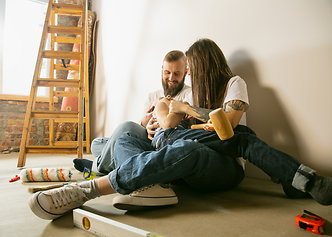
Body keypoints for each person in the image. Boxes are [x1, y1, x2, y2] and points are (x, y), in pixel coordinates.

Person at [28, 38, 332, 220]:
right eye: (182, 72)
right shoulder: (187, 93)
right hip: (185, 154)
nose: (188, 76)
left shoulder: (232, 84)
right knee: (122, 136)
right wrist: (159, 123)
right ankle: (144, 179)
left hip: (222, 162)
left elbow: (227, 127)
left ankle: (88, 188)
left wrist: (184, 111)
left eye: (191, 70)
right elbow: (168, 120)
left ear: (206, 66)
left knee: (232, 139)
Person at [73, 50, 192, 176]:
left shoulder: (189, 95)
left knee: (125, 127)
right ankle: (130, 159)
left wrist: (162, 105)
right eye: (167, 72)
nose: (171, 78)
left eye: (177, 74)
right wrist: (145, 124)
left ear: (185, 73)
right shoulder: (153, 96)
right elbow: (140, 126)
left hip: (162, 141)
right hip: (146, 138)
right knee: (96, 144)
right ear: (162, 69)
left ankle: (98, 166)